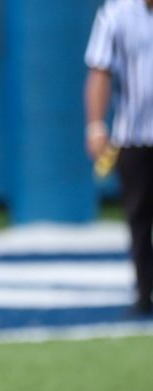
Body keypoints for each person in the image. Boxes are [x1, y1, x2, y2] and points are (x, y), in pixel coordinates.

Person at [85, 0, 153, 317]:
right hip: (134, 135)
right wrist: (96, 125)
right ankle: (144, 293)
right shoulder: (116, 14)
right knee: (139, 217)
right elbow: (100, 71)